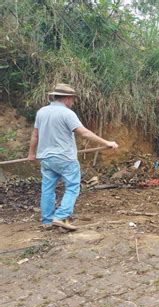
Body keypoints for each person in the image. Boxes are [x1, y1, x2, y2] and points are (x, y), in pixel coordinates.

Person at [27, 83, 118, 231]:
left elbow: (35, 134)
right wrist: (106, 142)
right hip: (65, 158)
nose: (73, 102)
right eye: (73, 99)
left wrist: (31, 153)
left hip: (46, 159)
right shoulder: (67, 114)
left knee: (47, 189)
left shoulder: (42, 112)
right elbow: (84, 133)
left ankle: (47, 221)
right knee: (73, 187)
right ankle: (61, 216)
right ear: (67, 98)